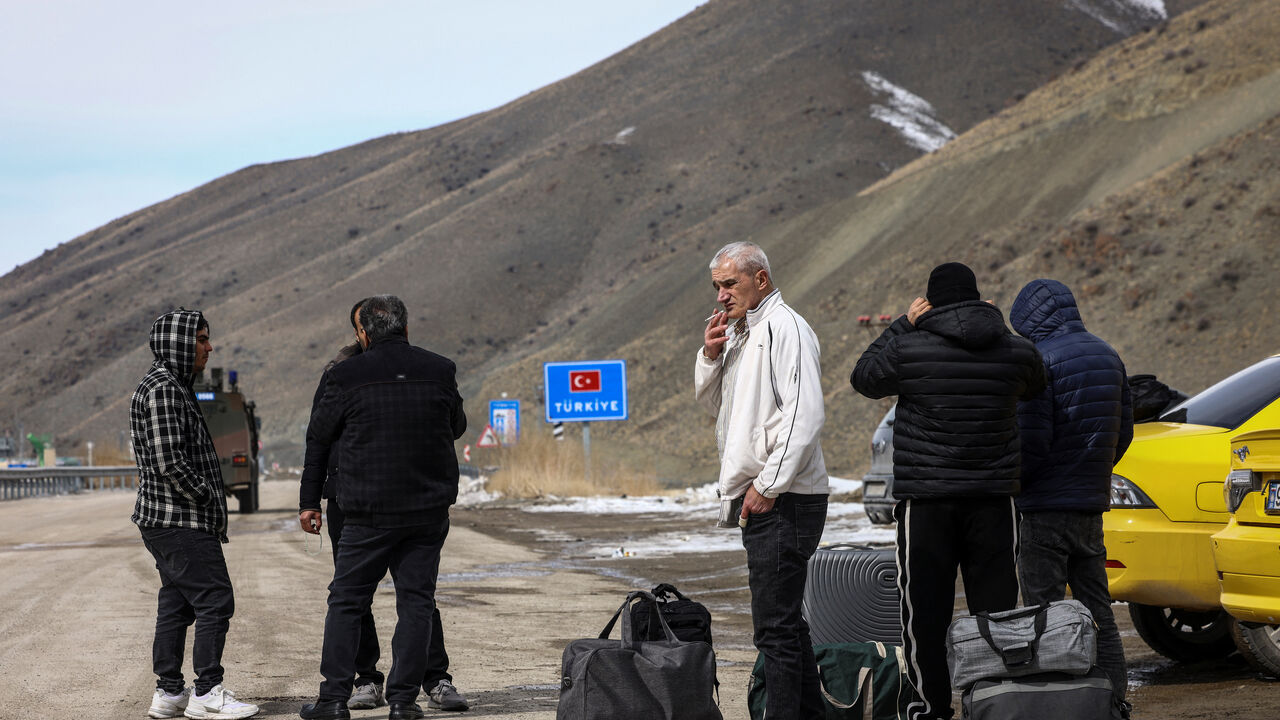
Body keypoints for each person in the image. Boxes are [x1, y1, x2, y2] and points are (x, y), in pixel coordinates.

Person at [851, 263, 1045, 720]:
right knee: (997, 612)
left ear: (929, 303)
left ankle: (928, 708)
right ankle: (994, 702)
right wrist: (997, 325)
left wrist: (903, 323)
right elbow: (1037, 383)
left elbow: (864, 377)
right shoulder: (1015, 352)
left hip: (927, 503)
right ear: (979, 298)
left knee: (924, 614)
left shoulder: (909, 348)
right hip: (994, 502)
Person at [300, 295, 467, 720]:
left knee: (347, 602)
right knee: (416, 601)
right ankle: (404, 703)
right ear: (405, 328)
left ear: (364, 333)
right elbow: (456, 425)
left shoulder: (346, 375)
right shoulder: (440, 368)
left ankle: (334, 700)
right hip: (426, 511)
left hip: (365, 511)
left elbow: (319, 433)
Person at [694, 241, 829, 719]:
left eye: (730, 284)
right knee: (786, 626)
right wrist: (712, 357)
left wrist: (768, 485)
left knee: (774, 629)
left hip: (786, 497)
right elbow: (722, 414)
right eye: (717, 286)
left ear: (761, 280)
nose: (721, 296)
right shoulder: (744, 334)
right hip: (771, 495)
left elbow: (805, 416)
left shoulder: (785, 328)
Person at [1009, 278, 1133, 716]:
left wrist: (1018, 483)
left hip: (1044, 508)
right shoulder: (1108, 354)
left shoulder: (1041, 360)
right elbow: (1125, 433)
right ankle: (1115, 701)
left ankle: (1052, 704)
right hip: (1090, 505)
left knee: (1043, 615)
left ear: (1032, 321)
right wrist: (1094, 474)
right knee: (1099, 611)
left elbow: (1034, 442)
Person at [130, 309, 259, 720]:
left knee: (176, 603)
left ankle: (169, 693)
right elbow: (170, 461)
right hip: (179, 518)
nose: (209, 347)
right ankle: (207, 692)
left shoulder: (172, 384)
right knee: (215, 598)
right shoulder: (165, 389)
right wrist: (205, 494)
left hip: (168, 519)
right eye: (201, 339)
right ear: (180, 344)